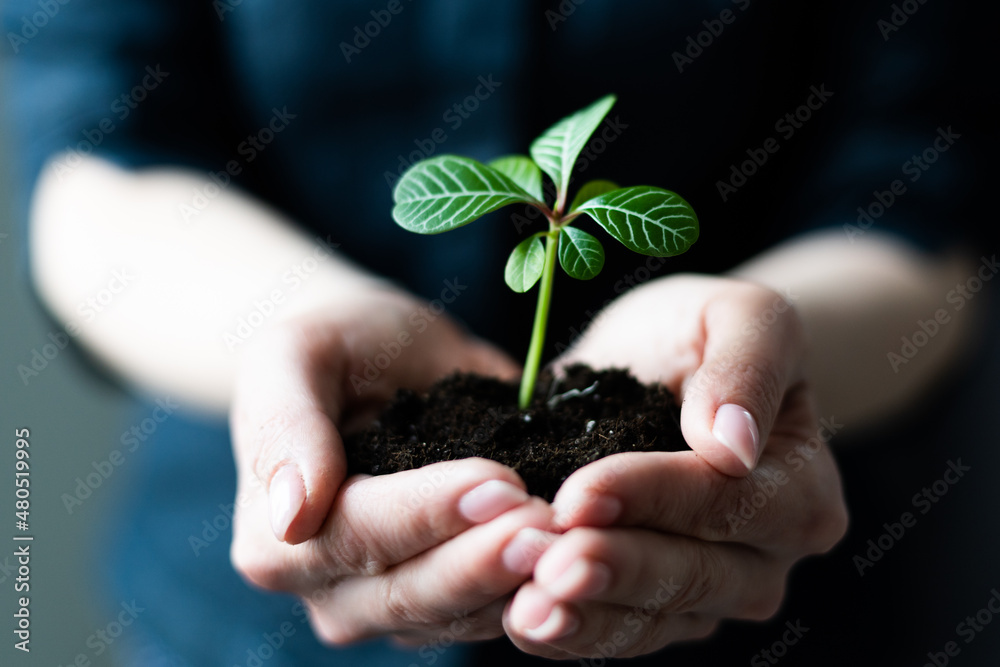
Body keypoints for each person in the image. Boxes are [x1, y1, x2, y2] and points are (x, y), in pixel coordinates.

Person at [5, 0, 989, 664]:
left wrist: (761, 352)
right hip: (239, 625)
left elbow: (922, 189)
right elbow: (100, 142)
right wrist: (293, 330)